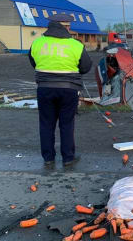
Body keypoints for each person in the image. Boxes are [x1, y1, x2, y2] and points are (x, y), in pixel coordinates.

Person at [28, 14, 92, 167]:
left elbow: (33, 61)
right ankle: (68, 158)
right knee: (67, 124)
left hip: (44, 89)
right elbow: (85, 67)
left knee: (46, 124)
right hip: (68, 90)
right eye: (69, 26)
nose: (70, 29)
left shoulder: (37, 43)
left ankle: (48, 158)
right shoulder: (75, 45)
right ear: (65, 26)